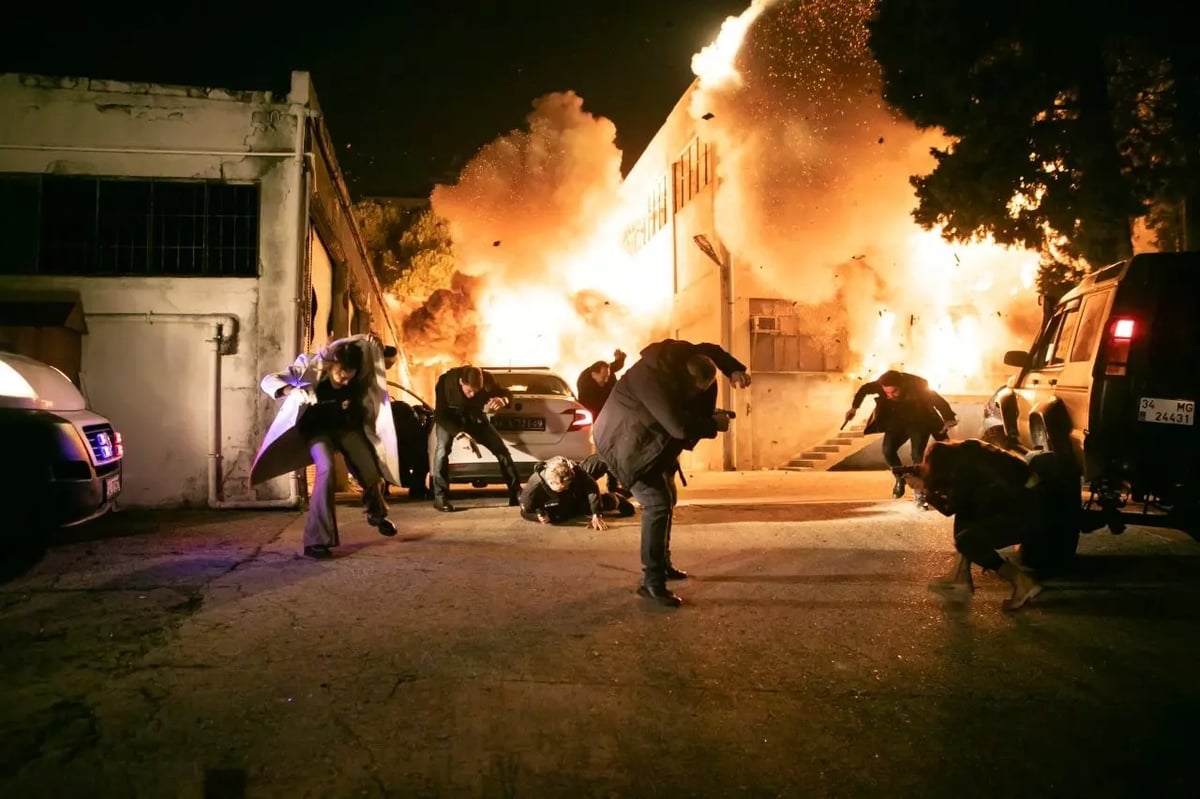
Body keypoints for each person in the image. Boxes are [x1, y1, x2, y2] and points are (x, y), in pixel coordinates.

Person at [592, 339, 750, 607]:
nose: (696, 394)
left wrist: (733, 369)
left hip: (647, 437)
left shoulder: (682, 355)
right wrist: (712, 423)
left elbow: (712, 350)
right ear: (685, 378)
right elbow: (677, 426)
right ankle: (651, 583)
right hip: (623, 443)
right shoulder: (651, 379)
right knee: (657, 502)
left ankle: (662, 564)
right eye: (695, 389)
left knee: (668, 495)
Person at [252, 335, 399, 559]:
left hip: (345, 429)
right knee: (326, 469)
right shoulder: (309, 368)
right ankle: (316, 540)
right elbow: (268, 381)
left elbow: (383, 358)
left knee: (369, 468)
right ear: (332, 364)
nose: (345, 381)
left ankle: (377, 514)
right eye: (342, 375)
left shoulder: (357, 376)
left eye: (350, 376)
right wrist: (291, 390)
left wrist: (369, 340)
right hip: (318, 432)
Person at [908, 438, 1045, 611]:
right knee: (967, 513)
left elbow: (951, 508)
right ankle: (960, 577)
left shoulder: (964, 469)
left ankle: (1021, 581)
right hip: (1034, 502)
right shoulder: (970, 451)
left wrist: (926, 489)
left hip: (1029, 514)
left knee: (968, 541)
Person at [844, 369, 957, 507]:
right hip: (897, 423)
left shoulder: (918, 386)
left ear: (902, 385)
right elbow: (864, 389)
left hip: (919, 422)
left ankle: (919, 492)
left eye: (894, 392)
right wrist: (854, 408)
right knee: (888, 450)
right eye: (887, 393)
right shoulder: (880, 385)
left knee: (917, 455)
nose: (890, 396)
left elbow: (938, 401)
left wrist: (949, 417)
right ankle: (900, 477)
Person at [431, 364, 521, 512]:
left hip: (474, 418)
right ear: (461, 382)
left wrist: (503, 400)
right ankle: (440, 497)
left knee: (501, 450)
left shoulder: (488, 380)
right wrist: (459, 435)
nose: (472, 394)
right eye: (469, 391)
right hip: (450, 420)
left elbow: (506, 393)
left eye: (476, 391)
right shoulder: (445, 381)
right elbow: (440, 415)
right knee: (442, 450)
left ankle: (516, 492)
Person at [519, 454, 635, 528]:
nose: (566, 488)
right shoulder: (532, 490)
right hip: (562, 505)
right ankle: (614, 500)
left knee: (601, 461)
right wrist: (537, 517)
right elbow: (524, 512)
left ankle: (615, 496)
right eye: (563, 487)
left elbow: (591, 487)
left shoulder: (573, 471)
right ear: (551, 483)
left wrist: (596, 514)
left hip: (577, 486)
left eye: (567, 485)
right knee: (569, 513)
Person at [576, 349, 630, 496]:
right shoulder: (586, 385)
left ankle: (613, 485)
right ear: (593, 374)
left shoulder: (605, 374)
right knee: (606, 451)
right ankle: (589, 484)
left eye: (607, 376)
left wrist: (620, 358)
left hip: (612, 417)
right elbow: (593, 409)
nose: (606, 380)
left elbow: (614, 367)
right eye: (603, 377)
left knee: (614, 450)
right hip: (598, 419)